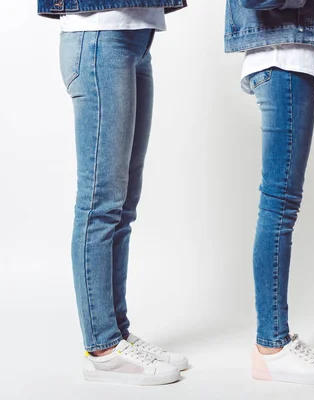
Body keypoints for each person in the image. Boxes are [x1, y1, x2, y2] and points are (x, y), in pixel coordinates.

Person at [37, 0, 189, 386]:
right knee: (100, 202)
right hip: (100, 34)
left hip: (136, 38)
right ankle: (103, 348)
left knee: (123, 204)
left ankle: (117, 334)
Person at [225, 0, 314, 385]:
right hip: (284, 61)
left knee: (279, 204)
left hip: (288, 58)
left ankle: (275, 339)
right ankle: (272, 346)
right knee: (278, 205)